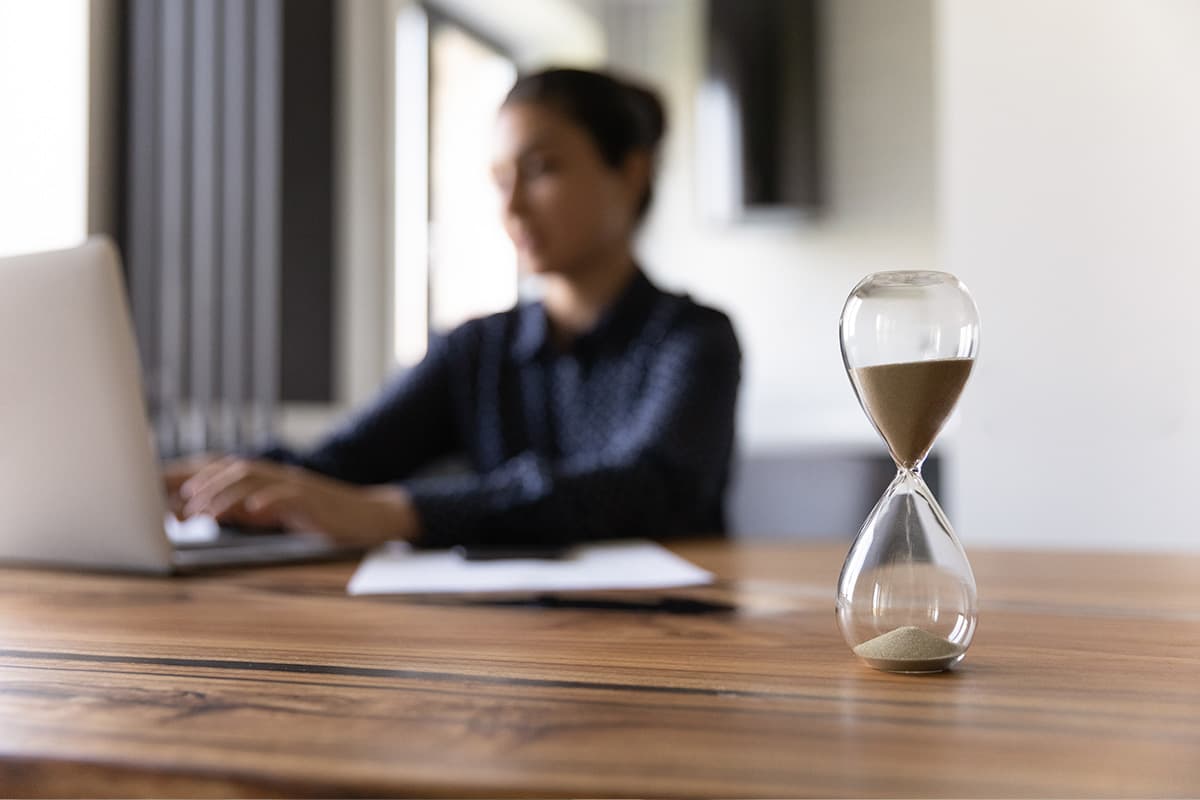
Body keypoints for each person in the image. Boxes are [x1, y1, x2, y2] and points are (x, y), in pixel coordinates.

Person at [168, 67, 741, 550]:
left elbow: (650, 486)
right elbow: (343, 463)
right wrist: (208, 478)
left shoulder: (695, 339)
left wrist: (398, 513)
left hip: (672, 640)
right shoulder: (476, 350)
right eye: (499, 180)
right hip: (513, 647)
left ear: (631, 172)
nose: (511, 206)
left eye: (541, 169)